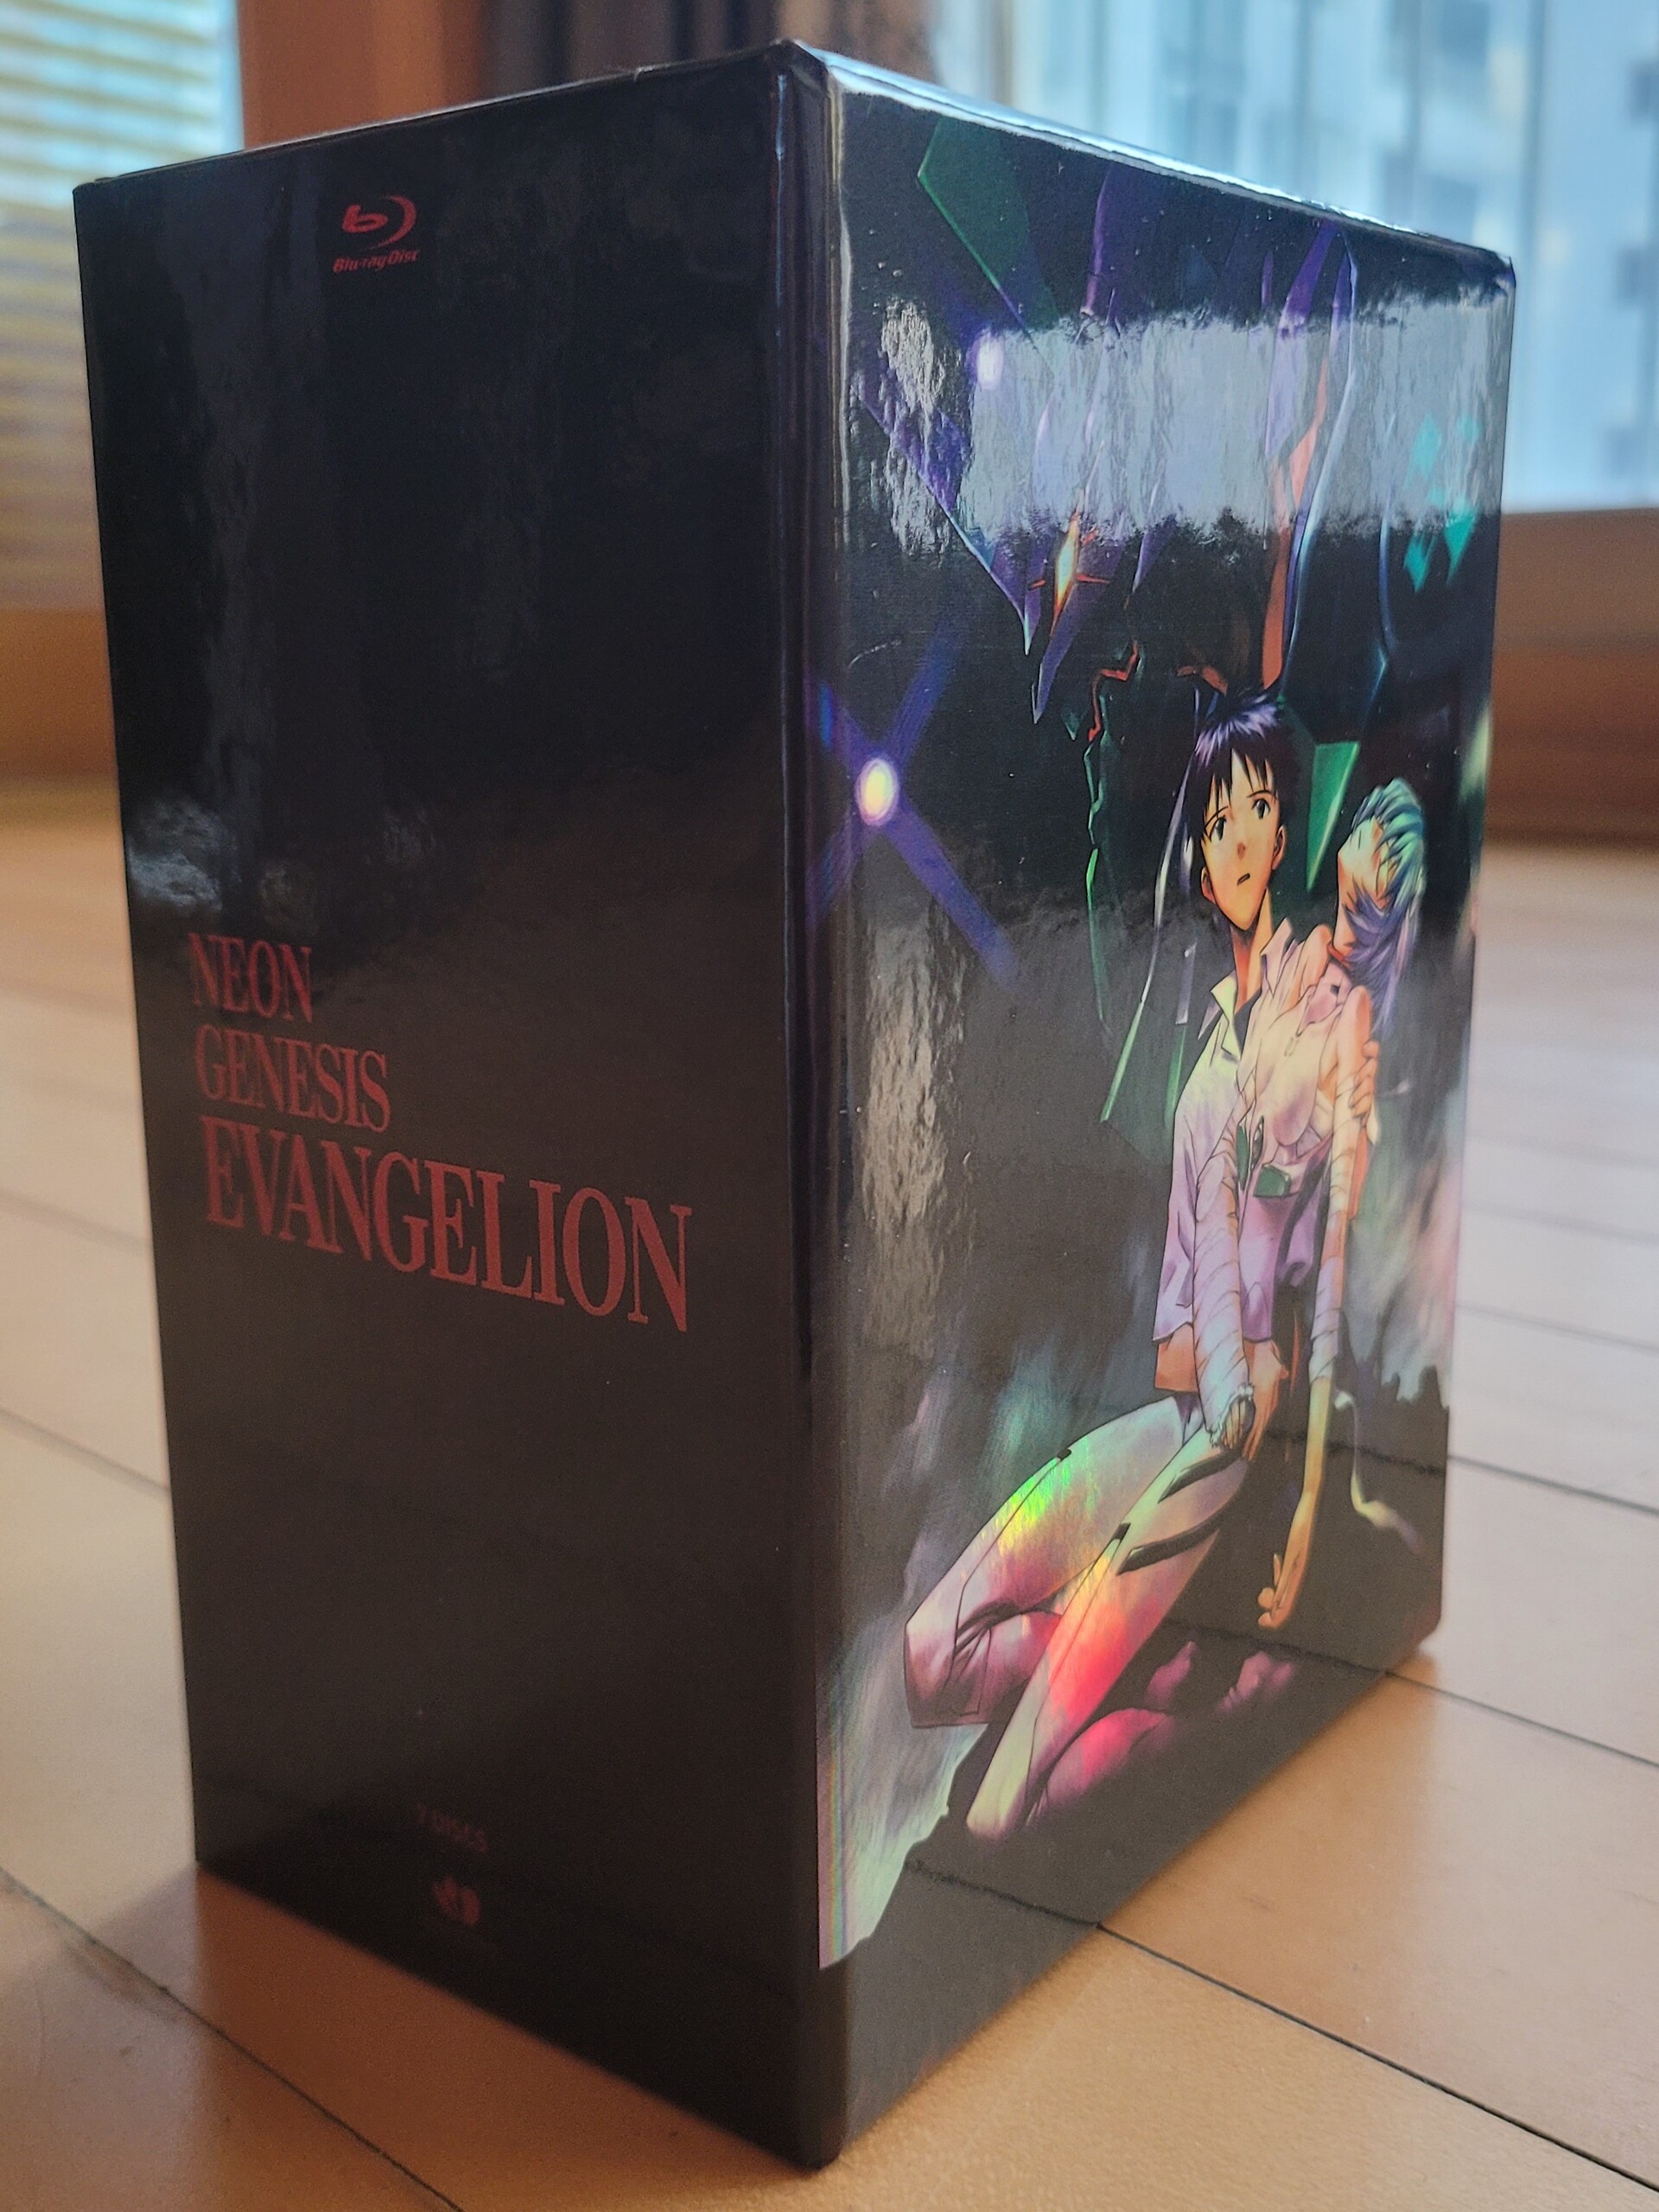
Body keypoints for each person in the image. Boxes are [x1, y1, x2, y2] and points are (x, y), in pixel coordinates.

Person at [906, 749, 1422, 1844]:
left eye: (1258, 815)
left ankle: (1215, 1709)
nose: (1235, 839)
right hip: (1185, 1402)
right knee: (929, 1655)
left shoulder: (1346, 1045)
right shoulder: (1261, 994)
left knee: (997, 1815)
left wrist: (1308, 1502)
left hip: (1239, 1421)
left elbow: (1325, 1289)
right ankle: (1157, 1666)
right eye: (1221, 819)